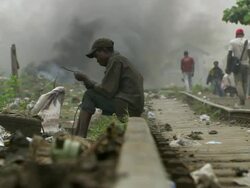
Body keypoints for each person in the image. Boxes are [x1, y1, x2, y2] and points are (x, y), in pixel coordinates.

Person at [73, 38, 144, 138]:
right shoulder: (120, 60)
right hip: (132, 105)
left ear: (105, 51)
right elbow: (108, 88)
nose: (96, 60)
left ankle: (80, 136)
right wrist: (89, 82)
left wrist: (86, 79)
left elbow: (107, 91)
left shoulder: (115, 61)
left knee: (89, 95)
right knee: (91, 93)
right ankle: (77, 135)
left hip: (128, 107)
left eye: (96, 56)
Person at [226, 28, 250, 105]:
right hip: (246, 65)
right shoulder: (248, 41)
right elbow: (249, 53)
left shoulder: (232, 42)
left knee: (238, 82)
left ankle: (242, 99)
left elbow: (229, 55)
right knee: (245, 82)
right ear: (243, 34)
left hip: (237, 65)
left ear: (236, 35)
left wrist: (228, 66)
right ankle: (242, 99)